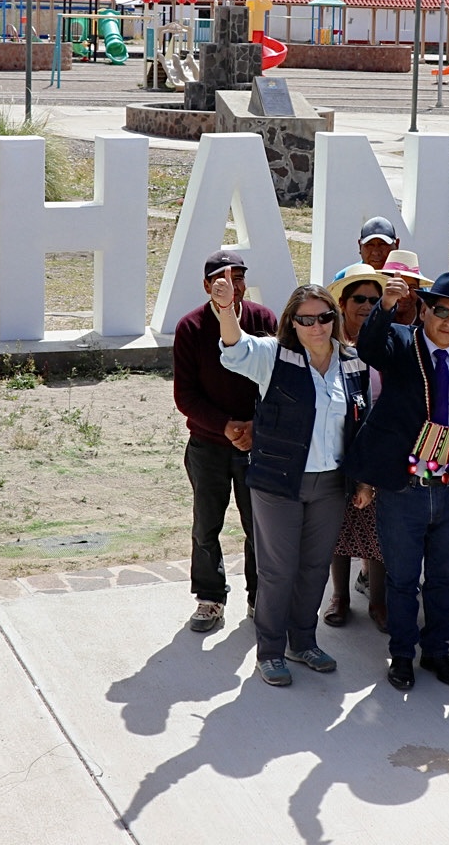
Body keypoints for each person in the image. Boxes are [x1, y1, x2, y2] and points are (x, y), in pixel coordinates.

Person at [212, 278, 370, 686]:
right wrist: (227, 309)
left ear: (335, 319)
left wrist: (365, 480)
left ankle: (303, 642)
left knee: (315, 566)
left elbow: (362, 425)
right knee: (278, 570)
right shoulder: (274, 356)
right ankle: (269, 650)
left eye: (324, 317)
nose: (316, 326)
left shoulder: (353, 363)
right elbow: (236, 350)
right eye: (306, 319)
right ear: (292, 323)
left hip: (331, 485)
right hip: (278, 484)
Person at [343, 271, 449, 691]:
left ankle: (437, 652)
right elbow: (368, 346)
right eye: (441, 311)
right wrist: (385, 306)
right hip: (404, 487)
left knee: (445, 579)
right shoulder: (400, 343)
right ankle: (402, 655)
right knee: (402, 580)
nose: (448, 322)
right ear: (424, 309)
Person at [171, 249, 277, 634]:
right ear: (206, 286)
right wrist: (226, 425)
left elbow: (275, 380)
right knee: (206, 526)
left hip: (256, 444)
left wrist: (254, 427)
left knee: (260, 527)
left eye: (239, 279)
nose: (232, 286)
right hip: (208, 446)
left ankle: (259, 597)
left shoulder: (264, 319)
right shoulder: (190, 328)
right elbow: (185, 395)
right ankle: (210, 597)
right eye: (222, 280)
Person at [325, 263, 388, 632]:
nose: (367, 305)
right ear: (344, 304)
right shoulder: (330, 345)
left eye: (374, 300)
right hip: (338, 445)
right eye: (360, 298)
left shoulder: (387, 341)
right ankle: (339, 598)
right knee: (339, 524)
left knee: (377, 526)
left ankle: (378, 601)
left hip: (379, 445)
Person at [379, 250, 427, 326]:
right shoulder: (370, 316)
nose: (405, 295)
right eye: (398, 286)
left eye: (412, 287)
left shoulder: (430, 320)